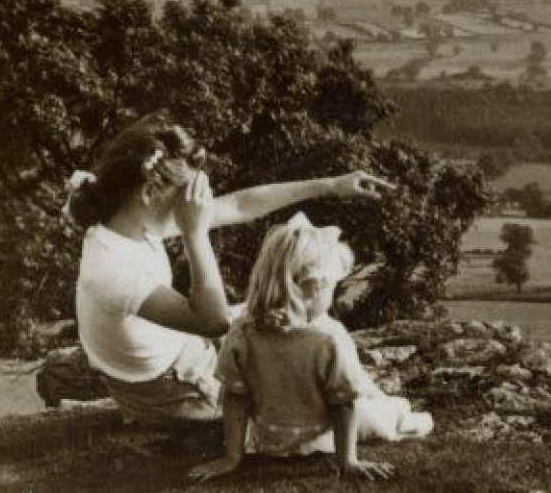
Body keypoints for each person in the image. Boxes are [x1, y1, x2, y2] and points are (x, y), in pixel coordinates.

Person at [66, 114, 393, 425]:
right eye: (184, 194)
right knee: (309, 379)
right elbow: (214, 321)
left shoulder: (125, 222)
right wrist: (194, 232)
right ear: (149, 193)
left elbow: (240, 205)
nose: (190, 204)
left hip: (177, 352)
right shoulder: (112, 268)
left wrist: (332, 185)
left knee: (285, 321)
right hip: (173, 390)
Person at [188, 214, 433, 482]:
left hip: (269, 439)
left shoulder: (243, 331)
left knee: (365, 394)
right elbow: (343, 403)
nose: (333, 293)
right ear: (314, 287)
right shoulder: (329, 337)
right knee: (380, 419)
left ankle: (392, 406)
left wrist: (232, 456)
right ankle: (404, 416)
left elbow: (236, 396)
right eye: (331, 286)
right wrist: (347, 460)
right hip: (323, 434)